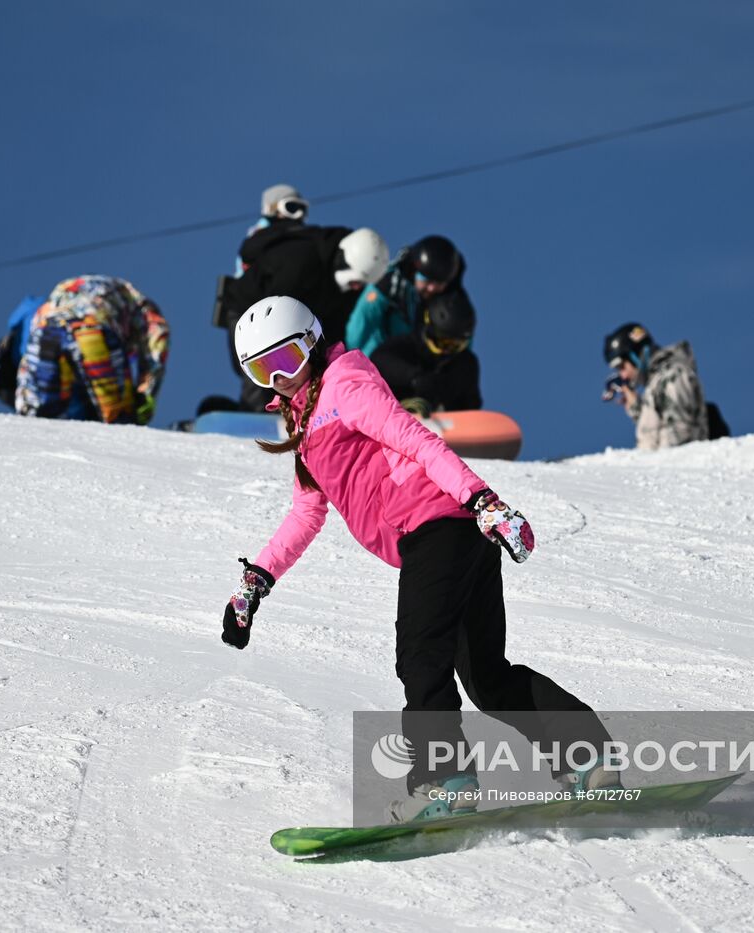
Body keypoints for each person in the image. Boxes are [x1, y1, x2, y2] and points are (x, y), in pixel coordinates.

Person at [221, 296, 617, 822]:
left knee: (419, 653)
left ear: (312, 344)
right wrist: (255, 582)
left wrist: (484, 501)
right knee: (487, 678)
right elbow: (305, 514)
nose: (280, 378)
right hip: (445, 537)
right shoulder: (305, 423)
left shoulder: (345, 386)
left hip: (440, 526)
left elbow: (418, 440)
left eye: (286, 360)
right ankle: (587, 756)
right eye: (262, 370)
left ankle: (442, 780)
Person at [218, 225, 388, 411]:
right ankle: (256, 413)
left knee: (296, 362)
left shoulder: (342, 292)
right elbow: (273, 316)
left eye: (361, 285)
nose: (356, 288)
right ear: (344, 262)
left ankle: (300, 411)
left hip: (285, 325)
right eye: (355, 282)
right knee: (267, 361)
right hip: (248, 311)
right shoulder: (302, 261)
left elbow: (332, 331)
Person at [15, 275, 168, 423]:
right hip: (91, 329)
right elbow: (157, 346)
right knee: (118, 418)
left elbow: (30, 354)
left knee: (39, 416)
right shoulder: (142, 307)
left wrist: (24, 396)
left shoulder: (72, 287)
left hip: (46, 329)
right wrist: (146, 395)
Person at [345, 235, 465, 358]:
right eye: (427, 280)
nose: (432, 288)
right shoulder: (389, 284)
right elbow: (362, 322)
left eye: (439, 283)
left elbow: (461, 335)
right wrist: (363, 363)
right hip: (387, 357)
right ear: (415, 271)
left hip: (425, 362)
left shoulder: (452, 298)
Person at [370, 289, 482, 415]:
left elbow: (471, 404)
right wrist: (414, 377)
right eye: (443, 342)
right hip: (398, 415)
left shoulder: (466, 364)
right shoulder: (403, 346)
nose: (447, 350)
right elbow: (379, 361)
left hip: (444, 424)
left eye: (456, 345)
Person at [603, 322, 709, 451]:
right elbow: (658, 433)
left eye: (622, 367)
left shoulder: (673, 376)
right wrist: (636, 408)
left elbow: (681, 441)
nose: (623, 376)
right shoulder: (656, 385)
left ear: (635, 355)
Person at [233, 184, 308, 277]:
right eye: (291, 208)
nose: (299, 214)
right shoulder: (260, 238)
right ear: (272, 209)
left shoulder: (302, 236)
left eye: (303, 209)